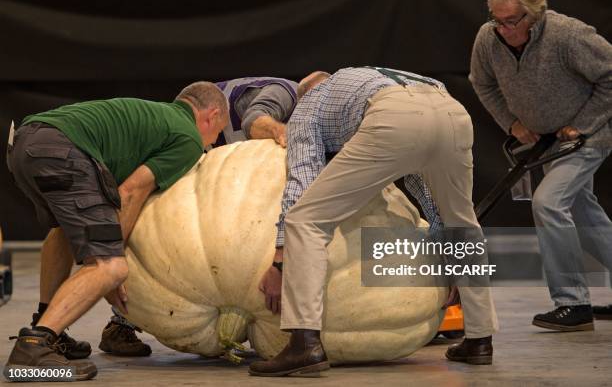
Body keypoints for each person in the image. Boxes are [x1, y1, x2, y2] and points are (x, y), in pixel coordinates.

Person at [249, 67, 499, 377]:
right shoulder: (367, 78)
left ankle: (304, 343)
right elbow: (424, 182)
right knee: (461, 222)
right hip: (451, 109)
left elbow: (302, 179)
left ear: (305, 95)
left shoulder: (307, 107)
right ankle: (479, 339)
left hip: (392, 116)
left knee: (305, 220)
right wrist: (446, 258)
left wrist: (280, 260)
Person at [4, 82, 229, 381]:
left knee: (61, 234)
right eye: (217, 133)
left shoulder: (158, 116)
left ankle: (46, 327)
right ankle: (34, 348)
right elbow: (131, 191)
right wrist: (108, 264)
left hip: (25, 142)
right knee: (110, 267)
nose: (211, 144)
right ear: (211, 116)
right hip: (62, 150)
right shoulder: (187, 137)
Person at [99, 77, 298, 356]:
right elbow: (255, 118)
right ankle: (121, 320)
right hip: (206, 148)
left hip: (227, 167)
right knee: (160, 230)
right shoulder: (286, 92)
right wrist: (283, 131)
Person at [470, 0, 612, 330]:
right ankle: (574, 300)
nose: (503, 30)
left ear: (534, 16)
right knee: (582, 212)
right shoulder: (487, 37)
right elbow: (482, 83)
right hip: (551, 140)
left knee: (548, 203)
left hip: (589, 136)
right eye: (497, 20)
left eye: (512, 22)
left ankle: (572, 303)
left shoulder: (568, 35)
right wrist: (512, 123)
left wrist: (585, 123)